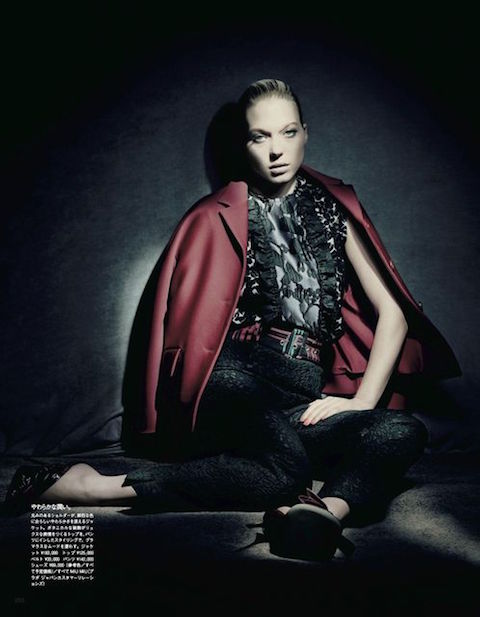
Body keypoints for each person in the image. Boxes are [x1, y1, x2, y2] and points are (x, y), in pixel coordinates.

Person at [4, 79, 460, 561]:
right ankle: (97, 488)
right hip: (235, 378)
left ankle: (322, 513)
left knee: (401, 432)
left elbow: (393, 314)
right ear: (244, 145)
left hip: (302, 397)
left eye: (287, 132)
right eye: (260, 137)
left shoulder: (335, 210)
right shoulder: (215, 214)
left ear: (305, 133)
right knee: (284, 465)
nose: (276, 150)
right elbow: (184, 324)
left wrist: (361, 400)